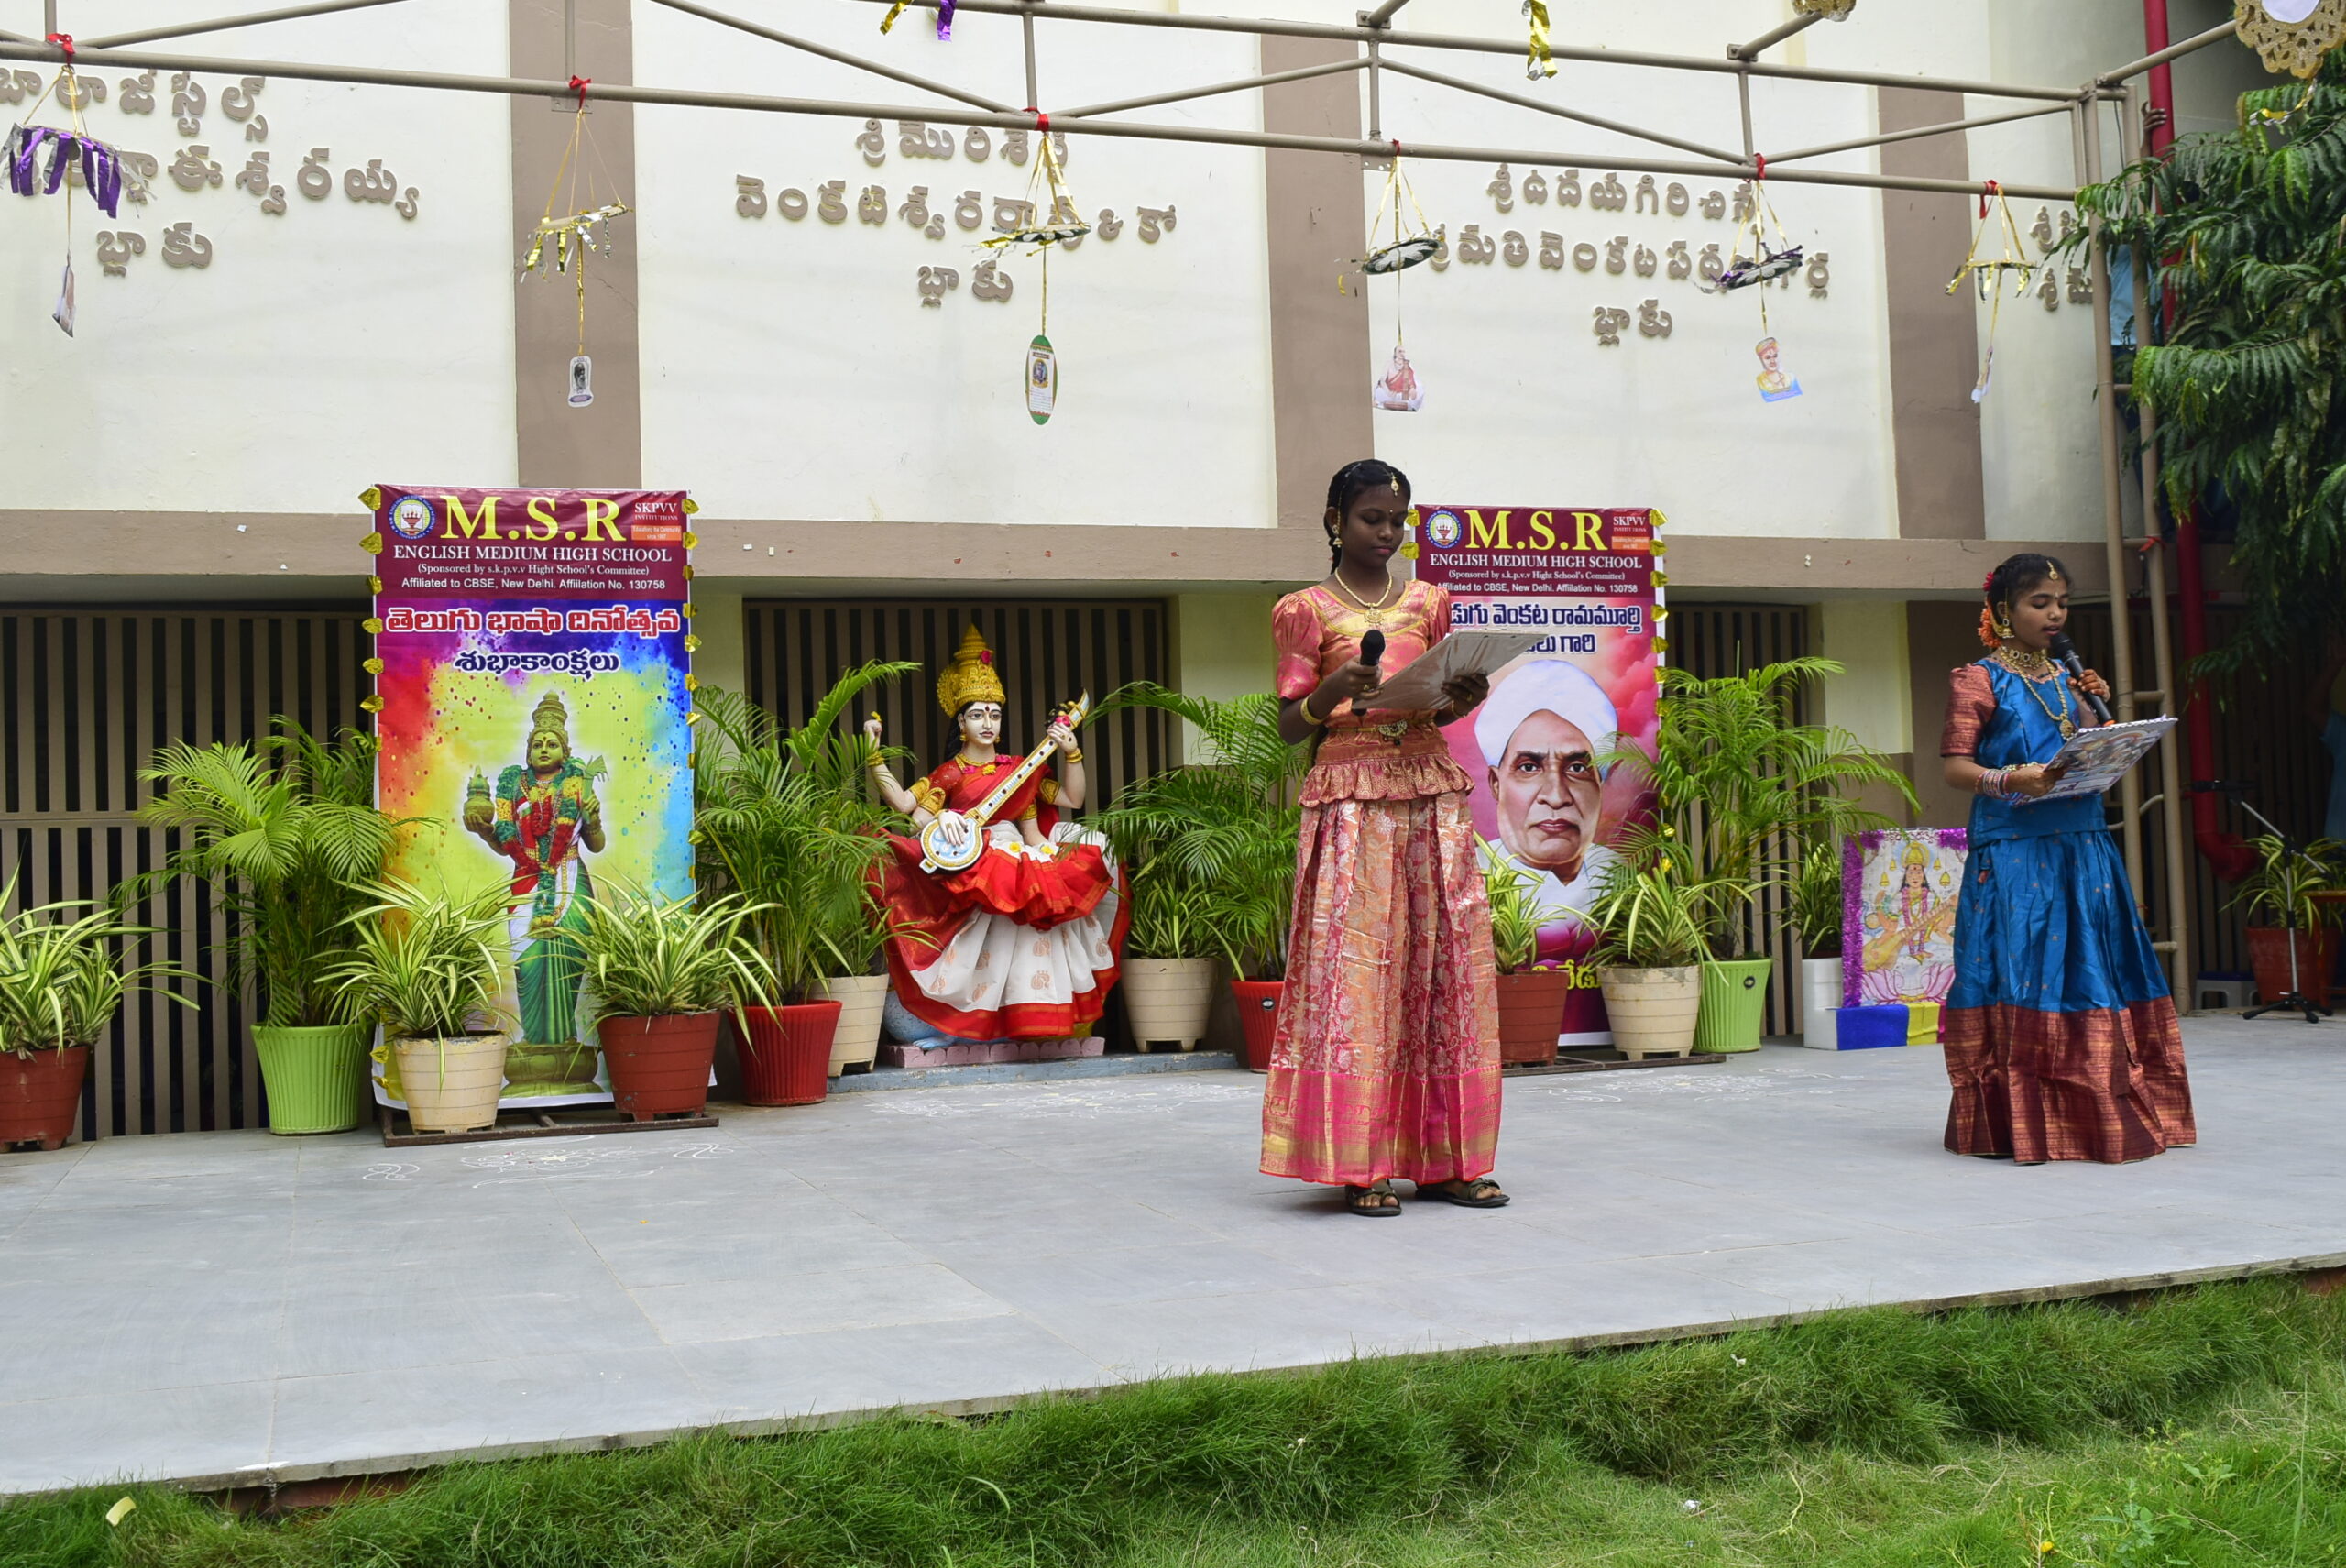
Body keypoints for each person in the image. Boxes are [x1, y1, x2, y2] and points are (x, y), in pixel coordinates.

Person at [1264, 458, 1507, 1216]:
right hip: (1351, 797)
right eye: (1372, 518)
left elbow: (1439, 702)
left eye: (1397, 520)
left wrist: (1462, 697)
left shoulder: (1430, 601)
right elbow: (1287, 726)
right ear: (1335, 520)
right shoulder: (1303, 610)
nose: (1388, 532)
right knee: (1360, 976)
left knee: (1444, 972)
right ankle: (1360, 1164)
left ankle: (1448, 1162)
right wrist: (1331, 693)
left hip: (1430, 790)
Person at [1937, 554, 2195, 1163]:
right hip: (2016, 852)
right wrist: (2009, 779)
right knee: (2027, 974)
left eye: (2062, 603)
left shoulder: (2068, 678)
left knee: (2094, 971)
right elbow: (1954, 767)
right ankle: (2024, 1120)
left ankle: (2100, 1108)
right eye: (2040, 603)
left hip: (2083, 845)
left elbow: (2084, 753)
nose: (2055, 614)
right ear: (2004, 611)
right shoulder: (1978, 679)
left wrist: (2094, 712)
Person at [864, 625, 1124, 1045]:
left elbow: (1072, 800)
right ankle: (972, 1026)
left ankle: (1027, 1021)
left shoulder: (1021, 768)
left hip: (1020, 859)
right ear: (960, 722)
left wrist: (1072, 751)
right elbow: (907, 808)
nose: (987, 722)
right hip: (973, 860)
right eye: (977, 714)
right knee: (986, 949)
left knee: (1040, 929)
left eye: (994, 714)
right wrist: (874, 755)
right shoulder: (951, 772)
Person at [461, 689, 605, 1096]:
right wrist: (485, 830)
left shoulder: (577, 785)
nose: (544, 749)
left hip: (569, 877)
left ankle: (563, 1043)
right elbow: (505, 844)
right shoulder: (513, 786)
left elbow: (596, 845)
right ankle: (536, 1043)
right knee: (529, 963)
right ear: (528, 751)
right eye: (537, 743)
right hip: (526, 880)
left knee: (566, 957)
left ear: (565, 750)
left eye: (551, 743)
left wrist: (593, 821)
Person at [1474, 659, 1619, 937]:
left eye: (1577, 768)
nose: (1556, 796)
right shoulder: (1470, 876)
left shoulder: (1621, 874)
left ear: (1601, 782)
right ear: (1496, 784)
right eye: (1529, 768)